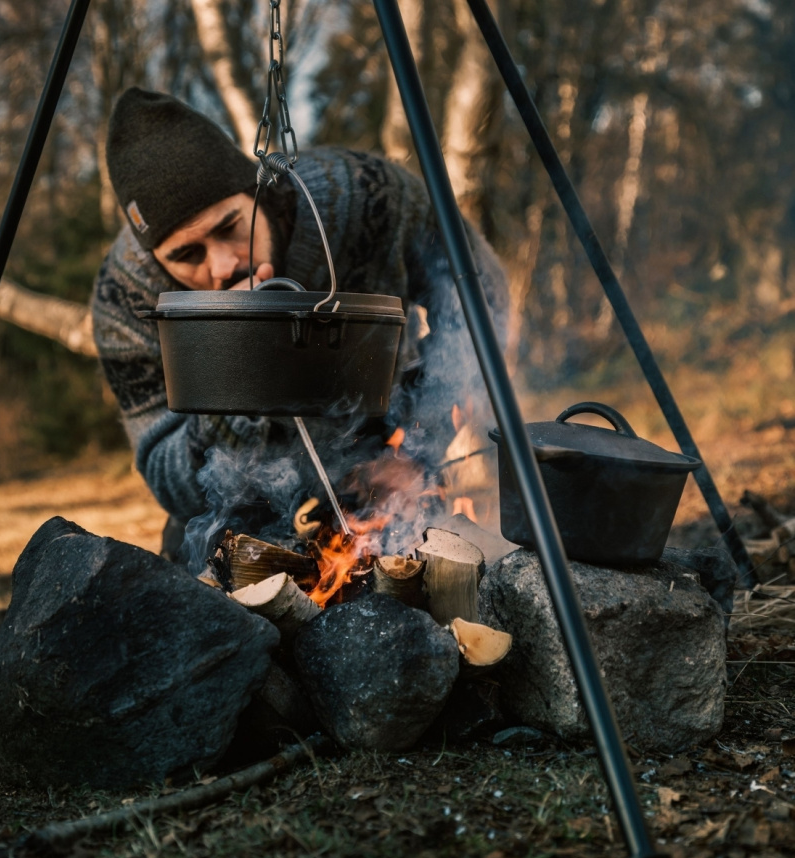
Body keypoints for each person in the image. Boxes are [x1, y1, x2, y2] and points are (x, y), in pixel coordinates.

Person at [91, 88, 509, 564]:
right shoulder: (124, 299)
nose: (223, 265)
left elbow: (481, 302)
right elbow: (170, 476)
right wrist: (231, 363)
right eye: (187, 256)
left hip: (380, 468)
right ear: (154, 260)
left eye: (231, 227)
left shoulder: (367, 196)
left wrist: (416, 445)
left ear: (255, 190)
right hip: (234, 513)